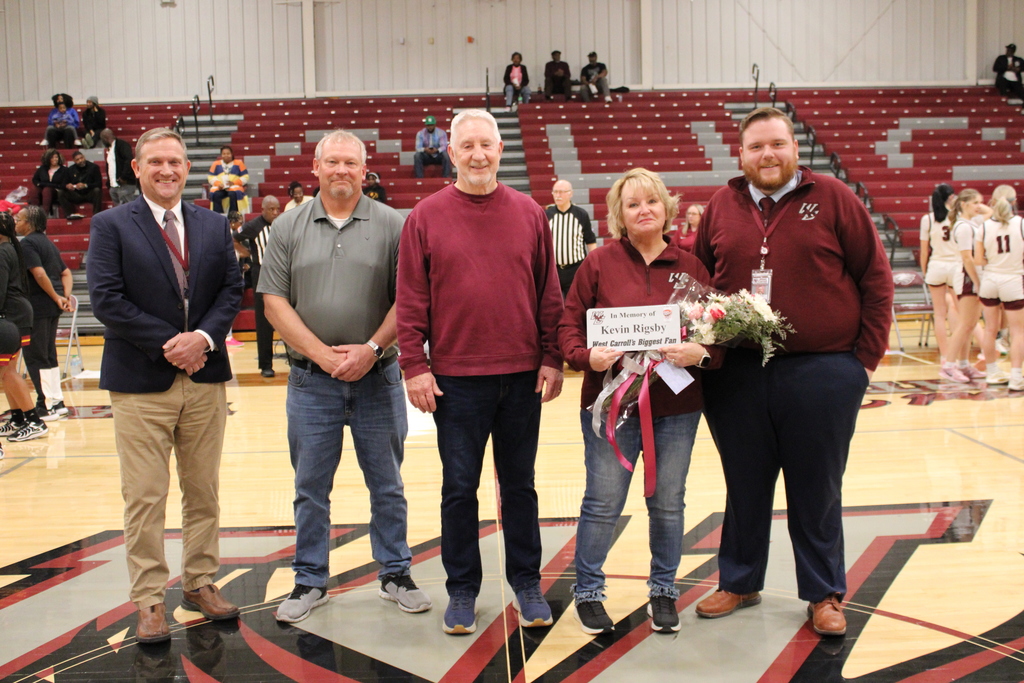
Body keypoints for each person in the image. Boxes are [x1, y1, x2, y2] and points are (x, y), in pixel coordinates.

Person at [693, 107, 893, 637]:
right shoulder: (721, 205)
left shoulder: (832, 197)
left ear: (794, 148)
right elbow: (696, 281)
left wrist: (861, 364)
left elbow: (875, 278)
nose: (768, 155)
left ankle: (824, 593)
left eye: (777, 144)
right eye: (757, 146)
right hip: (736, 373)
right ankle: (739, 580)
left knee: (817, 486)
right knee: (744, 483)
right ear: (740, 154)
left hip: (823, 371)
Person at [397, 109, 564, 635]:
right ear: (451, 152)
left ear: (499, 150)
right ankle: (462, 588)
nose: (477, 155)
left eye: (486, 145)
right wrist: (414, 365)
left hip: (520, 378)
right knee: (459, 488)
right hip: (455, 380)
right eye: (466, 145)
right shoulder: (424, 216)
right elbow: (410, 300)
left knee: (520, 486)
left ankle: (527, 582)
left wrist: (553, 356)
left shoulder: (530, 212)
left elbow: (549, 293)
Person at [260, 130, 430, 624]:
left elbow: (411, 300)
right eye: (331, 162)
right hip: (312, 382)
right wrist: (324, 355)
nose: (340, 170)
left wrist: (373, 347)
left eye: (349, 163)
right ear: (315, 167)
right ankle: (310, 579)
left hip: (379, 377)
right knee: (310, 486)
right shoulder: (288, 226)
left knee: (387, 483)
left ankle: (395, 572)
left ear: (364, 169)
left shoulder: (395, 224)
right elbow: (273, 302)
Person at [86, 127, 244, 644]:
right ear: (137, 168)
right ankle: (150, 600)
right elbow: (106, 300)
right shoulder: (111, 225)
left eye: (175, 161)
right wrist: (170, 343)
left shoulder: (213, 223)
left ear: (186, 167)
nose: (167, 170)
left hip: (204, 379)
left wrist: (201, 338)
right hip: (140, 382)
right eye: (155, 161)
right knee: (146, 496)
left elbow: (231, 289)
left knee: (204, 490)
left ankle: (199, 581)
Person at [559, 168, 721, 635]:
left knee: (668, 502)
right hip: (610, 407)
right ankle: (587, 592)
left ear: (667, 208)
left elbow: (718, 332)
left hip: (676, 407)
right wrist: (585, 356)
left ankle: (664, 590)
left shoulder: (691, 268)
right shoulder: (599, 264)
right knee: (603, 501)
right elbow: (569, 326)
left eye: (651, 201)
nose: (643, 209)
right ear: (619, 216)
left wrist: (702, 353)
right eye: (632, 204)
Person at [15, 206, 73, 421]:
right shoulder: (47, 242)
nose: (16, 222)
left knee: (36, 355)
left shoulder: (28, 243)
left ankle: (45, 405)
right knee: (48, 354)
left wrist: (56, 297)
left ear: (29, 224)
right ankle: (56, 402)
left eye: (19, 219)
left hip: (37, 307)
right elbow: (65, 273)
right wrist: (63, 296)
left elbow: (38, 274)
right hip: (50, 307)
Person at [0, 212, 49, 443]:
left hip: (12, 315)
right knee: (8, 372)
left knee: (8, 372)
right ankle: (19, 418)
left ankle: (34, 420)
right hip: (17, 312)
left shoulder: (2, 251)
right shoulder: (11, 246)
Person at [943, 189, 994, 383]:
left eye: (980, 202)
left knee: (971, 324)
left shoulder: (972, 223)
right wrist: (978, 282)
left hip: (971, 277)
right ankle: (948, 366)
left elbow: (989, 214)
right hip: (967, 277)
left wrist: (980, 206)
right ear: (964, 204)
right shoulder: (963, 227)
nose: (979, 206)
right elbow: (967, 258)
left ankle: (963, 365)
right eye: (975, 203)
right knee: (965, 324)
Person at [976, 195, 1024, 390]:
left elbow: (978, 259)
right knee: (1018, 331)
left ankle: (992, 372)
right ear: (1013, 207)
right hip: (1013, 279)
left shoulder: (984, 227)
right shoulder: (1020, 224)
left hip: (990, 280)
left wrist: (995, 264)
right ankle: (1016, 377)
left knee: (990, 330)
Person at [920, 184, 964, 380]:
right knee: (959, 312)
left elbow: (924, 251)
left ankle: (945, 358)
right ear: (952, 197)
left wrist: (924, 271)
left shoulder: (927, 219)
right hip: (955, 266)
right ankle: (957, 359)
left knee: (939, 314)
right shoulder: (958, 217)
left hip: (936, 266)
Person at [234, 195, 280, 377]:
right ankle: (266, 365)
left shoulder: (282, 223)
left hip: (282, 274)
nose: (275, 213)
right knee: (264, 321)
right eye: (271, 209)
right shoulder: (254, 226)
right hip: (261, 274)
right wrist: (248, 254)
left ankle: (295, 360)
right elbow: (234, 239)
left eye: (277, 209)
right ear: (263, 210)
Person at [546, 179, 596, 298]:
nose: (558, 195)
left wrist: (593, 266)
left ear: (570, 193)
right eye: (555, 192)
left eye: (561, 192)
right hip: (554, 270)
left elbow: (590, 241)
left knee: (574, 304)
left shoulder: (581, 214)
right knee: (554, 306)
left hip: (576, 269)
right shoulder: (547, 215)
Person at [58, 150, 103, 219]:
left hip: (89, 193)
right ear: (74, 161)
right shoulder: (70, 170)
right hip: (76, 194)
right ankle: (69, 214)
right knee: (61, 192)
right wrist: (67, 186)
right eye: (77, 159)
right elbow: (62, 184)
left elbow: (99, 183)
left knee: (97, 190)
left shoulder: (94, 167)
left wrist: (85, 185)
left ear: (84, 157)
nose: (80, 160)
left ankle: (96, 215)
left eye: (81, 158)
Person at [28, 149, 70, 218]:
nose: (55, 159)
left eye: (56, 157)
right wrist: (41, 184)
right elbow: (35, 180)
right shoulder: (43, 168)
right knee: (34, 189)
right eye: (52, 157)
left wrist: (44, 184)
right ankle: (33, 214)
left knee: (47, 189)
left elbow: (62, 185)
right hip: (43, 190)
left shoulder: (64, 170)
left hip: (56, 191)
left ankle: (44, 215)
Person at [100, 129, 138, 206]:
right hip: (114, 185)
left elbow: (129, 160)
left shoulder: (122, 145)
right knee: (118, 212)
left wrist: (124, 177)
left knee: (129, 209)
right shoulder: (110, 149)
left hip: (125, 184)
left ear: (105, 138)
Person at [207, 146, 248, 214]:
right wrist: (218, 184)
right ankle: (219, 215)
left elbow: (245, 176)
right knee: (216, 195)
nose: (226, 155)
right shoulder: (215, 164)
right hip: (221, 187)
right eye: (224, 154)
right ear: (221, 155)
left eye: (228, 153)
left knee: (232, 194)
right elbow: (210, 177)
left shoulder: (239, 163)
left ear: (232, 154)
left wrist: (234, 183)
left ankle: (232, 215)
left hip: (234, 187)